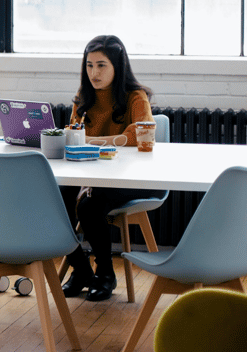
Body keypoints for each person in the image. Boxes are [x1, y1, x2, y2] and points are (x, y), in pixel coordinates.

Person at [60, 35, 157, 302]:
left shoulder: (135, 97)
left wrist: (93, 141)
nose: (94, 72)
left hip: (129, 177)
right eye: (89, 65)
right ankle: (80, 269)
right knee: (55, 198)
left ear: (118, 66)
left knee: (88, 206)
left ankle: (105, 273)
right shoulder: (83, 97)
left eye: (101, 65)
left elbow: (140, 134)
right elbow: (73, 133)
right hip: (89, 173)